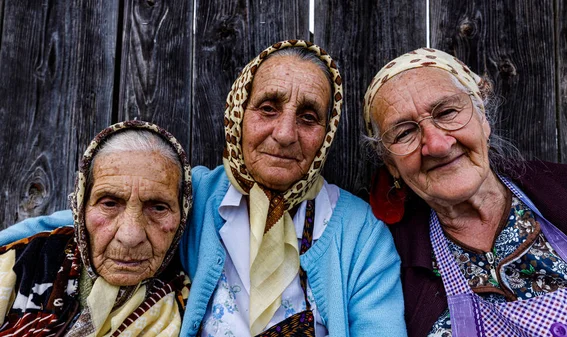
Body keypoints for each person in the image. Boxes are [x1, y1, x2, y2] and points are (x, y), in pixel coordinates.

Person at [0, 40, 407, 336]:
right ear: (238, 113)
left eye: (308, 117)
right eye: (267, 108)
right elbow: (80, 221)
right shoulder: (186, 194)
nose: (284, 134)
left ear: (327, 132)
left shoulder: (360, 233)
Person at [363, 47, 567, 336]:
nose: (437, 145)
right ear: (391, 164)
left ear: (482, 117)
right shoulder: (381, 259)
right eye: (404, 133)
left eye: (447, 112)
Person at [0, 120, 193, 336]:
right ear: (80, 209)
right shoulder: (19, 265)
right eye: (109, 204)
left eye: (158, 208)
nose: (130, 236)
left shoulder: (189, 311)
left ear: (182, 215)